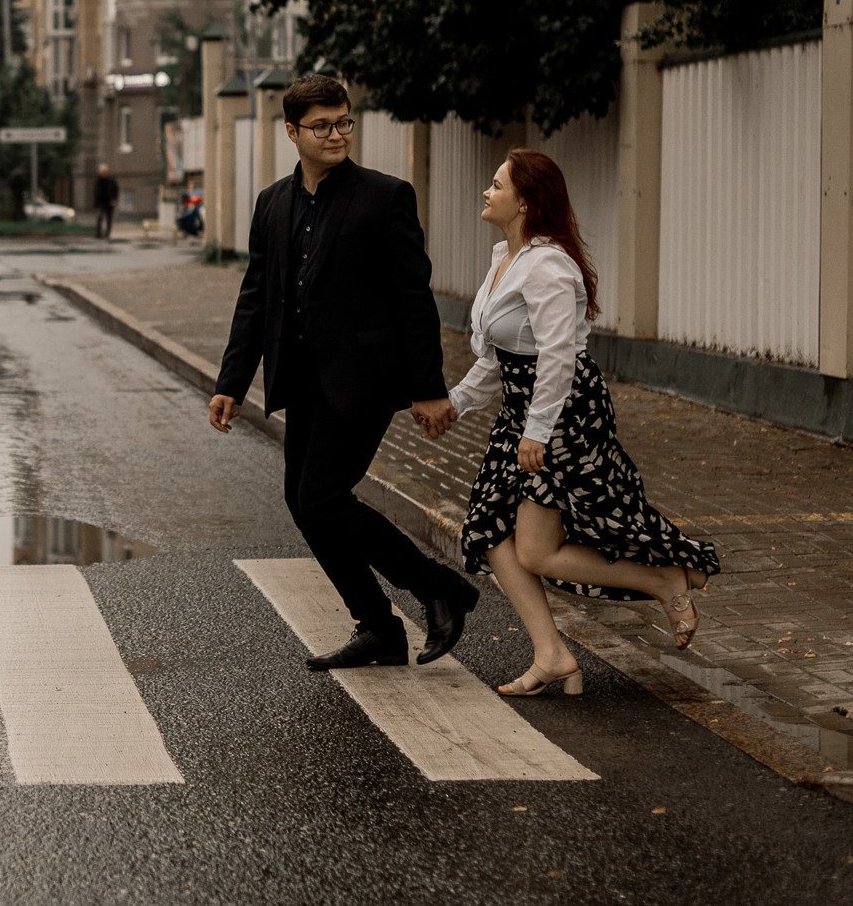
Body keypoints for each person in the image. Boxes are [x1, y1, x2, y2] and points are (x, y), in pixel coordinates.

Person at [209, 74, 480, 669]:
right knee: (302, 501)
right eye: (322, 126)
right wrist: (232, 382)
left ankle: (438, 586)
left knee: (322, 497)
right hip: (302, 379)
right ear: (292, 132)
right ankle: (379, 628)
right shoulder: (272, 203)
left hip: (365, 379)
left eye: (344, 122)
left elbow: (414, 298)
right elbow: (257, 298)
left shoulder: (385, 197)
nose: (336, 135)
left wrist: (427, 388)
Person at [439, 149, 719, 697]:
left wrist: (537, 432)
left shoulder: (547, 264)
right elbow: (498, 356)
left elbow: (557, 356)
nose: (486, 192)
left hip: (564, 412)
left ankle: (664, 579)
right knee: (488, 529)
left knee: (536, 550)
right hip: (522, 411)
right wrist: (456, 403)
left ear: (525, 201)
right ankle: (552, 655)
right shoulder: (504, 259)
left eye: (496, 185)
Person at [93, 163, 120, 239]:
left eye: (104, 172)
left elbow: (116, 190)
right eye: (102, 172)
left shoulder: (111, 181)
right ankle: (98, 233)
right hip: (101, 203)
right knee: (99, 217)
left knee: (109, 219)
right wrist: (96, 202)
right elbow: (96, 192)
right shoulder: (98, 181)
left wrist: (114, 199)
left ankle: (107, 234)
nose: (103, 174)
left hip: (109, 202)